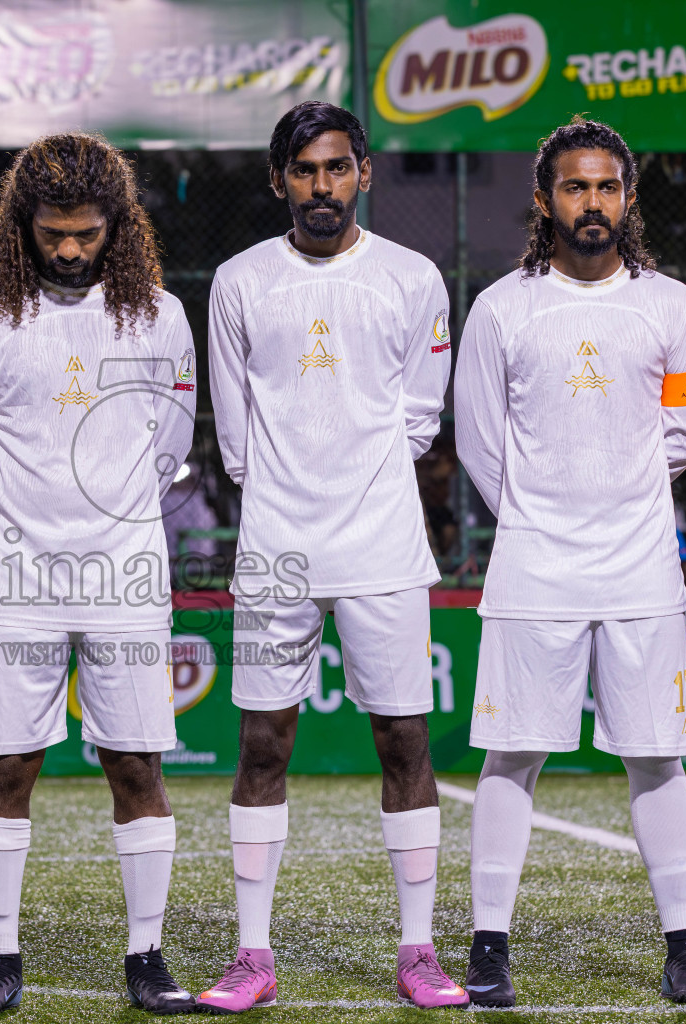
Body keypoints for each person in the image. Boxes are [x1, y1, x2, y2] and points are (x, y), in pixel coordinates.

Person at [199, 101, 467, 1011]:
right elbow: (234, 436)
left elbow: (420, 418)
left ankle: (419, 948)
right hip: (276, 545)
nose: (323, 186)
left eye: (338, 168)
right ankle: (251, 953)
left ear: (364, 174)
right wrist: (290, 491)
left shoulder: (412, 276)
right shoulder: (239, 281)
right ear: (280, 179)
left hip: (384, 545)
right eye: (305, 170)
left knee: (404, 738)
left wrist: (353, 485)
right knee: (263, 741)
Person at [454, 117, 686, 1007]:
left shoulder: (672, 304)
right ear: (544, 199)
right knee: (512, 753)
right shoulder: (501, 307)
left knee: (657, 757)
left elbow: (684, 432)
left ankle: (685, 946)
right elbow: (481, 444)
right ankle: (489, 945)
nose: (592, 202)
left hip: (641, 564)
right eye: (575, 187)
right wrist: (544, 515)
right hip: (533, 565)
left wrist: (617, 499)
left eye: (607, 186)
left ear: (629, 197)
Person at [0, 132, 199, 1017]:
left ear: (117, 228)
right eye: (52, 233)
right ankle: (0, 957)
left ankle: (147, 956)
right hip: (19, 579)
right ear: (23, 226)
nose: (69, 249)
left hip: (127, 576)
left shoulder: (159, 317)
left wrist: (110, 523)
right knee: (8, 768)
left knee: (137, 765)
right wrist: (32, 526)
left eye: (87, 233)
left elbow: (172, 443)